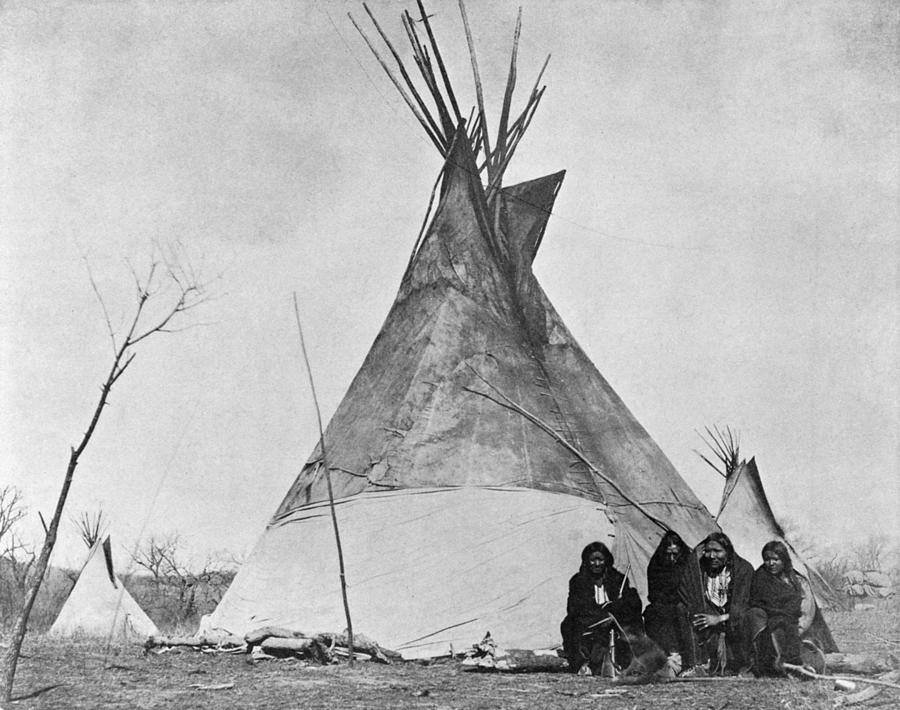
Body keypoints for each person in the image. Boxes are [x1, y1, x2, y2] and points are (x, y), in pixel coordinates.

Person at [560, 541, 642, 675]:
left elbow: (630, 604)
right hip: (590, 620)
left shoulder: (618, 579)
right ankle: (582, 663)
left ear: (607, 561)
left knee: (631, 622)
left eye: (600, 560)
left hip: (615, 620)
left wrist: (618, 605)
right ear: (586, 561)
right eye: (593, 560)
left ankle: (630, 662)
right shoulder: (578, 581)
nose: (597, 564)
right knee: (568, 624)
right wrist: (601, 614)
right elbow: (574, 607)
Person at [678, 531, 754, 675]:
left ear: (728, 551)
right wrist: (694, 558)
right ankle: (696, 664)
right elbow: (687, 591)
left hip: (734, 624)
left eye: (717, 551)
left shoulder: (743, 570)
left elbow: (745, 604)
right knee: (683, 607)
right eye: (708, 551)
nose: (712, 556)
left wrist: (719, 619)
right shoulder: (701, 570)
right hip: (708, 621)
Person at [747, 540, 810, 676]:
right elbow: (759, 601)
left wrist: (791, 611)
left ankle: (796, 663)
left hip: (793, 615)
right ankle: (782, 665)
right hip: (772, 617)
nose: (771, 563)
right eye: (767, 559)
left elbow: (798, 598)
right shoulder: (761, 576)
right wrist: (783, 612)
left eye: (775, 559)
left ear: (784, 559)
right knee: (781, 626)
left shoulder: (791, 576)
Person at [643, 531, 693, 664]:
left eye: (675, 554)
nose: (671, 558)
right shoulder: (656, 566)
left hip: (683, 604)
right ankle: (665, 655)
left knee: (679, 611)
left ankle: (682, 656)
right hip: (663, 603)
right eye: (668, 554)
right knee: (652, 612)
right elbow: (653, 593)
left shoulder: (687, 566)